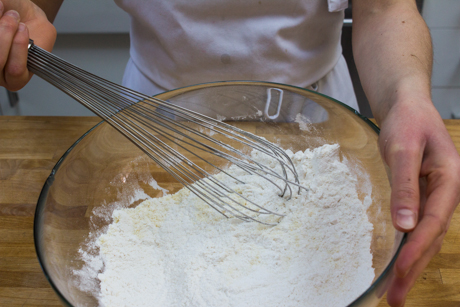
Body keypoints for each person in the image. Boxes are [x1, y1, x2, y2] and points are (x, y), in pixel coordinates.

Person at [1, 0, 459, 306]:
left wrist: (406, 96)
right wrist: (19, 16)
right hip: (150, 124)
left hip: (318, 119)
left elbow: (383, 7)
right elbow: (33, 7)